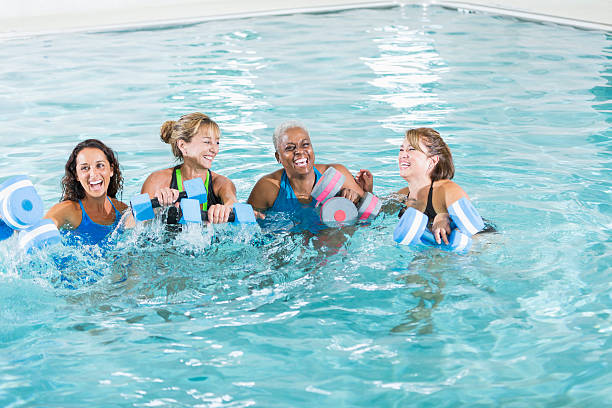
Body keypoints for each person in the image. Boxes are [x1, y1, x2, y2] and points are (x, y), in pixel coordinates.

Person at [247, 120, 367, 215]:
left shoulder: (337, 175)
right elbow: (246, 223)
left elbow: (373, 210)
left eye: (305, 145)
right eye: (290, 148)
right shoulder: (268, 188)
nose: (299, 151)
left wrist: (357, 199)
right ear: (278, 157)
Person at [141, 112, 237, 223]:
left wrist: (223, 210)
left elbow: (232, 203)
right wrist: (158, 208)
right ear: (182, 145)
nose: (215, 150)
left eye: (217, 142)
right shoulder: (158, 180)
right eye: (207, 142)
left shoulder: (221, 183)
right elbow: (133, 224)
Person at [396, 127, 472, 245]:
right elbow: (372, 214)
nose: (403, 155)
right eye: (401, 149)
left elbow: (468, 216)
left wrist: (444, 217)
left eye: (411, 149)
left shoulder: (445, 188)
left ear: (432, 161)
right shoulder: (403, 194)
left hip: (480, 241)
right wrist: (366, 191)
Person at [44, 139, 128, 245]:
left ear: (111, 170)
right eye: (85, 168)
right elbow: (45, 226)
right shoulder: (67, 210)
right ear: (76, 175)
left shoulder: (122, 211)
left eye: (100, 165)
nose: (93, 174)